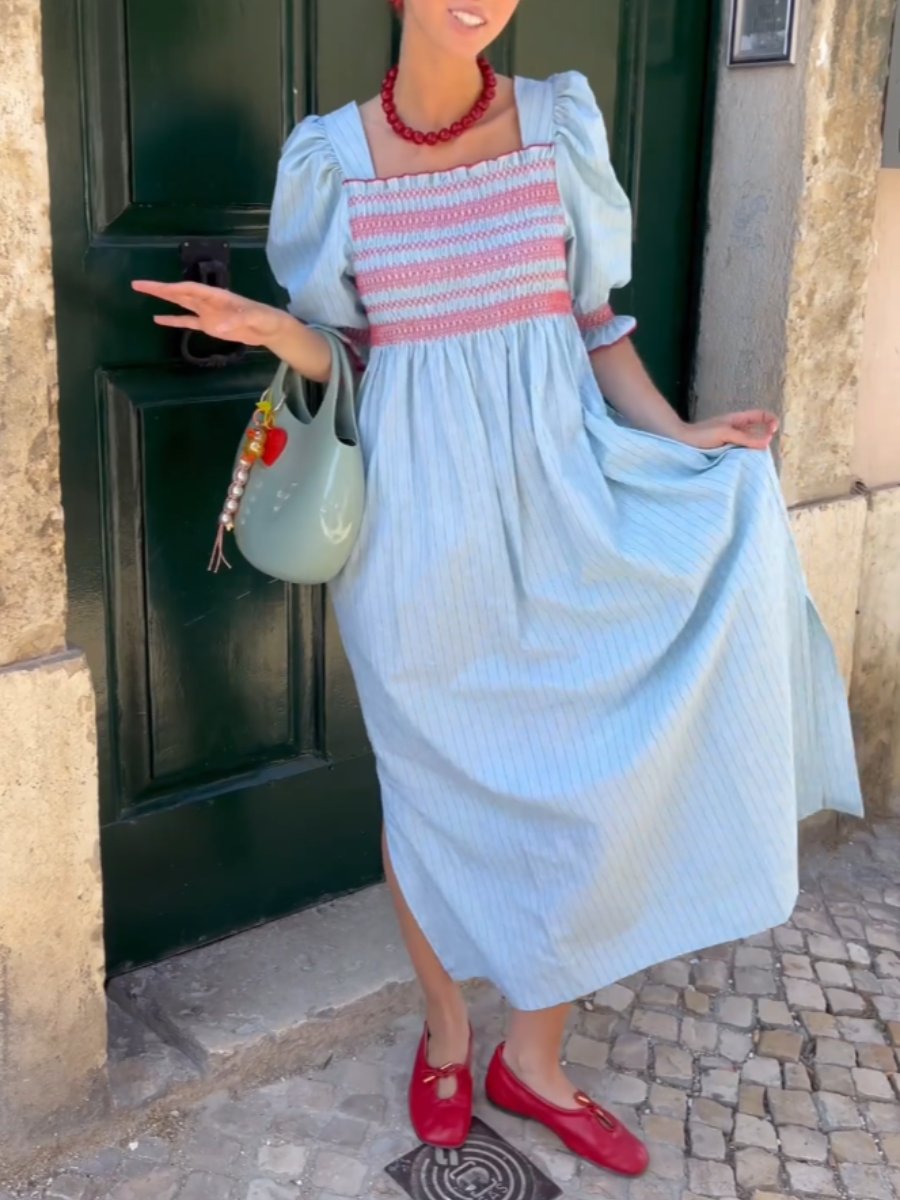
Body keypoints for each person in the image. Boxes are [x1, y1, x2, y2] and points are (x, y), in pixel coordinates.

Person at [131, 0, 865, 1179]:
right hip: (418, 535)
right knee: (428, 791)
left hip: (568, 500)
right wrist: (277, 330)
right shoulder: (328, 158)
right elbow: (352, 358)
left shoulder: (559, 122)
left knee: (579, 796)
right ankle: (446, 1031)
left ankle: (535, 1060)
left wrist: (682, 435)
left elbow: (592, 327)